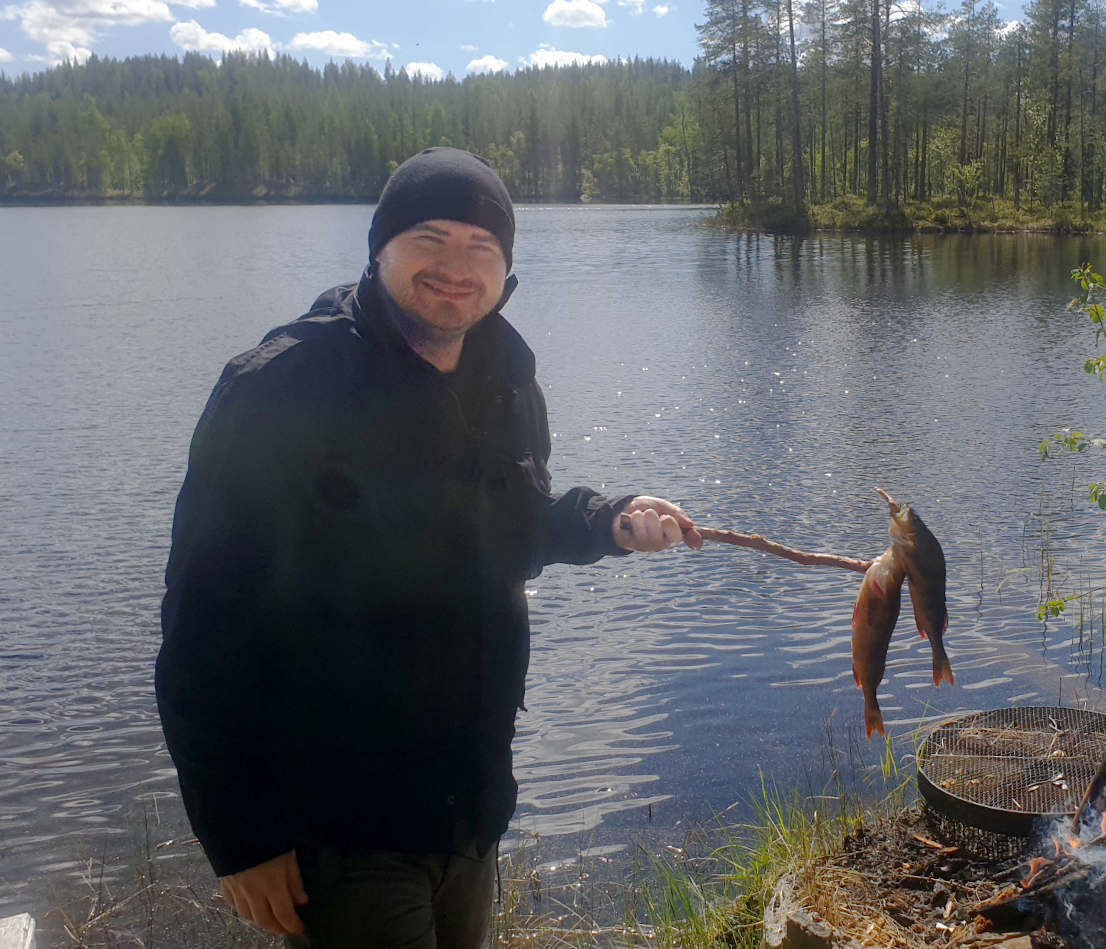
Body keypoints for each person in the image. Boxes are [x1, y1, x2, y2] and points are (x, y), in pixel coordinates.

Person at [154, 146, 701, 948]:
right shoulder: (280, 388)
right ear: (378, 249)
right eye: (430, 240)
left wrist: (607, 519)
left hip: (466, 807)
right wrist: (238, 836)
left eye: (482, 249)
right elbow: (201, 629)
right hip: (342, 828)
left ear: (506, 272)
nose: (456, 268)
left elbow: (509, 526)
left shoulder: (504, 377)